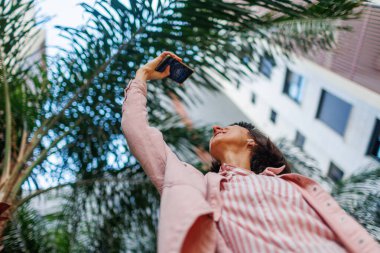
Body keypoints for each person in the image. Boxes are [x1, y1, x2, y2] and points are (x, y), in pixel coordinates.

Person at [121, 51, 379, 253]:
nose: (215, 127)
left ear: (252, 141)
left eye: (229, 127)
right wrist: (142, 75)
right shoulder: (191, 183)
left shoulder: (293, 185)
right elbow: (137, 129)